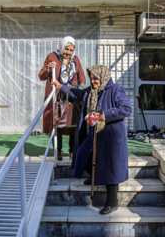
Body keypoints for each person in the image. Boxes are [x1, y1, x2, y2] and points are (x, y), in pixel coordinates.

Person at [52, 65, 132, 215]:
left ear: (104, 77)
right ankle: (93, 176)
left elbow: (126, 109)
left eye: (96, 78)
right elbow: (77, 93)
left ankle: (112, 202)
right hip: (94, 131)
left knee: (110, 166)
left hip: (110, 135)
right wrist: (60, 86)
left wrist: (104, 114)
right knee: (83, 152)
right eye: (92, 78)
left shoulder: (115, 90)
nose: (93, 81)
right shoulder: (90, 91)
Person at [39, 36, 86, 160]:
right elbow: (41, 75)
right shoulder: (52, 57)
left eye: (71, 50)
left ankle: (72, 150)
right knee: (57, 121)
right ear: (62, 47)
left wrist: (82, 88)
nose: (68, 53)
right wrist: (49, 69)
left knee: (73, 122)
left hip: (71, 94)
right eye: (66, 49)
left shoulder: (75, 59)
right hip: (56, 95)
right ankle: (58, 151)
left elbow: (81, 75)